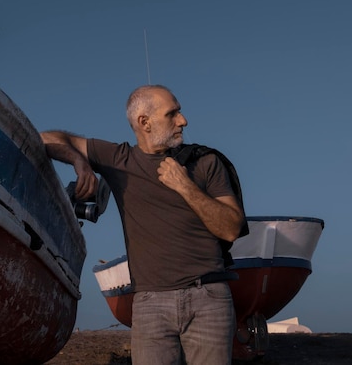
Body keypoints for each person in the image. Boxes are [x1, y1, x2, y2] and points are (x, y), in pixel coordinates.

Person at [40, 85, 245, 365]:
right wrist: (80, 161)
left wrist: (185, 187)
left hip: (208, 297)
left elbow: (231, 228)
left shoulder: (205, 162)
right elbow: (46, 138)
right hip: (150, 303)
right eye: (172, 114)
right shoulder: (118, 159)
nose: (183, 120)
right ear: (144, 122)